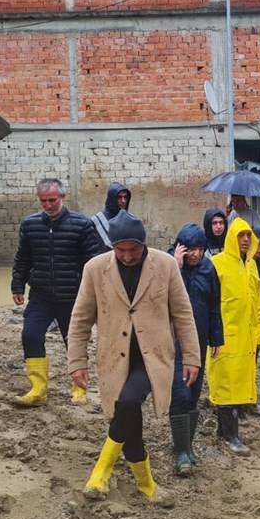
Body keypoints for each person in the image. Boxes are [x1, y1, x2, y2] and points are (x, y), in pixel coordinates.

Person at [68, 211, 200, 503]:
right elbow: (80, 319)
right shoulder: (94, 269)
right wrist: (77, 362)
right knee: (128, 418)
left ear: (144, 244)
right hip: (114, 357)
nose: (127, 256)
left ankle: (101, 471)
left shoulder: (165, 266)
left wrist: (192, 357)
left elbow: (182, 313)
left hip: (153, 358)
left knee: (127, 402)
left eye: (134, 250)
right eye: (120, 250)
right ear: (112, 247)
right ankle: (146, 484)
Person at [10, 178, 101, 407]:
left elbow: (94, 262)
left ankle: (79, 389)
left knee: (74, 342)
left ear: (62, 197)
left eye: (52, 200)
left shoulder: (82, 225)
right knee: (30, 335)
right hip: (40, 295)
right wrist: (17, 285)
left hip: (72, 297)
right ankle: (38, 388)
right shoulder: (30, 225)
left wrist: (94, 294)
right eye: (43, 201)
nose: (48, 205)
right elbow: (23, 258)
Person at [169, 223, 224, 475]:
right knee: (180, 393)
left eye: (200, 249)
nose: (195, 254)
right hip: (173, 342)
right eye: (190, 249)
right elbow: (159, 296)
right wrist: (175, 267)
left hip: (199, 341)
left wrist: (216, 338)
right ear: (180, 248)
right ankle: (180, 453)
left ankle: (186, 446)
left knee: (193, 394)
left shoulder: (208, 269)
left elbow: (214, 305)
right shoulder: (167, 267)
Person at [207, 218, 260, 455]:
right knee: (225, 384)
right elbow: (208, 301)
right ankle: (230, 436)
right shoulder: (217, 265)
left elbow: (257, 297)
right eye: (241, 236)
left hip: (247, 336)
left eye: (248, 236)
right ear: (232, 238)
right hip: (224, 336)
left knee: (240, 382)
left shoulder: (250, 265)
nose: (245, 240)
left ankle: (227, 431)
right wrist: (212, 334)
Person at [92, 181, 132, 253]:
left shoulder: (131, 219)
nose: (123, 201)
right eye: (119, 197)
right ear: (112, 199)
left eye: (125, 197)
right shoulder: (97, 220)